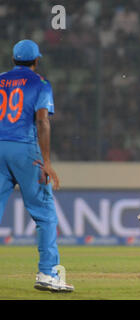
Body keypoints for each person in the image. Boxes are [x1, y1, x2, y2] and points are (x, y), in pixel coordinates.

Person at [0, 40, 74, 292]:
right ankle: (47, 273)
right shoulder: (40, 84)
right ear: (36, 61)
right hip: (25, 149)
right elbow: (42, 122)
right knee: (44, 215)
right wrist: (47, 162)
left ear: (13, 59)